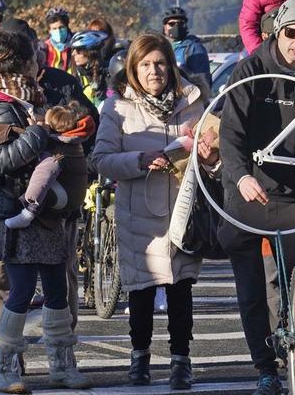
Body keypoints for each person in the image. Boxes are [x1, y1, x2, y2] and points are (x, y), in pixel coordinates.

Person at [0, 17, 98, 377]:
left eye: (36, 54)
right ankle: (8, 362)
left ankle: (62, 360)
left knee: (59, 286)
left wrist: (70, 177)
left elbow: (86, 130)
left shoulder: (61, 85)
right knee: (4, 285)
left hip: (54, 208)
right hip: (4, 204)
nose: (34, 63)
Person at [219, 0, 295, 395]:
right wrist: (239, 178)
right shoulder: (250, 71)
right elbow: (229, 134)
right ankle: (264, 369)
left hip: (291, 196)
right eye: (291, 33)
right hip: (247, 193)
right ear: (275, 30)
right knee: (251, 290)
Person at [91, 33, 218, 389]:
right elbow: (101, 160)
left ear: (171, 65)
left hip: (183, 212)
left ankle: (181, 361)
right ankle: (139, 358)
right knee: (141, 291)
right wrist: (139, 160)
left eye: (160, 63)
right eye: (145, 64)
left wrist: (209, 155)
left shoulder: (194, 103)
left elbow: (214, 156)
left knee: (181, 290)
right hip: (139, 216)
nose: (154, 71)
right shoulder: (118, 109)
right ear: (133, 69)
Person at [3, 101, 95, 229]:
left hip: (65, 197)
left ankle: (27, 214)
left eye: (45, 124)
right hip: (75, 196)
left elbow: (43, 176)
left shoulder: (57, 152)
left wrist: (27, 200)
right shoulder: (73, 143)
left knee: (42, 178)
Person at [161, 6, 211, 87]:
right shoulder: (160, 48)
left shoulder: (195, 48)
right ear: (164, 27)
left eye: (180, 24)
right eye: (171, 24)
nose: (176, 27)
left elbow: (203, 83)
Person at [68, 30, 111, 107]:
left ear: (90, 52)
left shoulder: (109, 72)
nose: (73, 53)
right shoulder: (72, 73)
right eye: (73, 49)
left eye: (78, 50)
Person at [43, 7, 73, 71]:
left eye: (61, 27)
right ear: (49, 30)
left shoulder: (76, 45)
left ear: (67, 27)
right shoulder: (43, 48)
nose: (58, 31)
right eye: (54, 29)